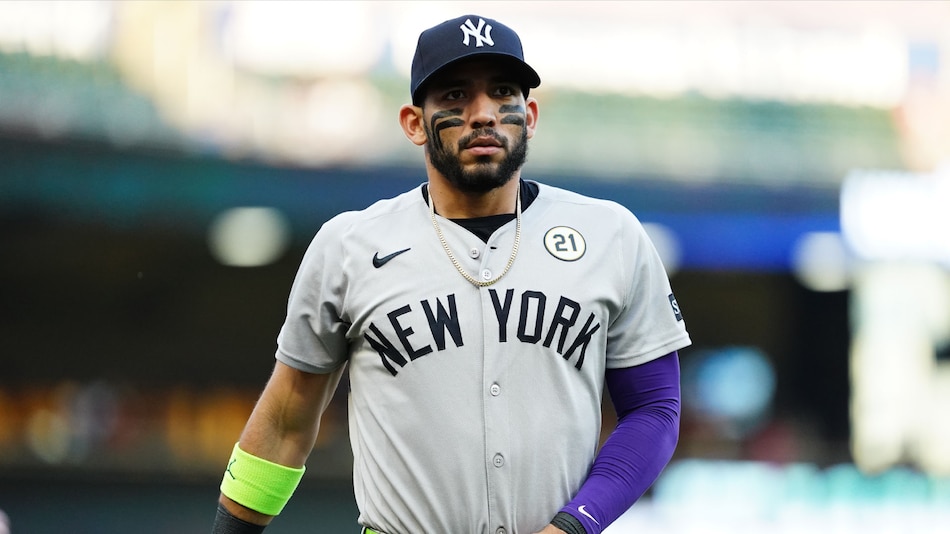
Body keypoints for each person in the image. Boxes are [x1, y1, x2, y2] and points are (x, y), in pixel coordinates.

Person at [212, 14, 691, 534]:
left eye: (502, 92)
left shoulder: (610, 235)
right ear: (414, 122)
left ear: (529, 115)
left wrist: (578, 523)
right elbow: (286, 421)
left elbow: (654, 410)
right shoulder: (348, 245)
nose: (482, 114)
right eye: (455, 97)